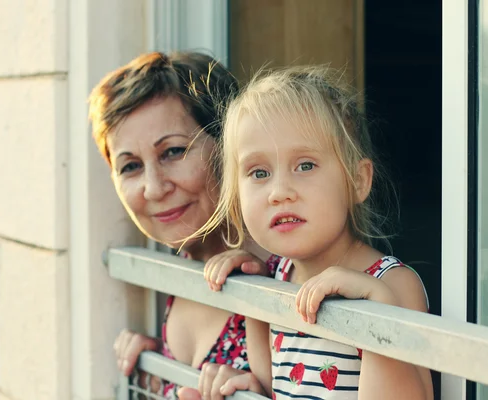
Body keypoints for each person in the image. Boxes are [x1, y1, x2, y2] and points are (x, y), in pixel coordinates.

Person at [185, 66, 433, 399]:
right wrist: (255, 291)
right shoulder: (279, 276)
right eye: (259, 172)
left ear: (357, 181)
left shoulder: (392, 284)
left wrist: (377, 306)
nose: (279, 191)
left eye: (305, 165)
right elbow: (273, 385)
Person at [89, 51, 278, 399]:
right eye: (130, 166)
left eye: (174, 151)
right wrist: (155, 365)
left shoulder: (291, 277)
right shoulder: (183, 268)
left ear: (229, 145)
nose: (154, 187)